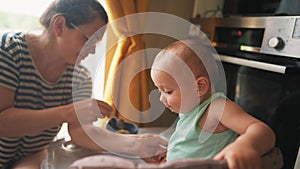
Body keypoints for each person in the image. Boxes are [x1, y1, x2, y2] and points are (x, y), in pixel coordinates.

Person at [0, 0, 167, 168]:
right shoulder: (10, 51)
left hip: (31, 156)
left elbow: (81, 132)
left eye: (95, 44)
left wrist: (137, 144)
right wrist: (69, 112)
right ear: (59, 25)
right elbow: (3, 123)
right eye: (87, 39)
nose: (92, 50)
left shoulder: (79, 77)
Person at [150, 39, 276, 169]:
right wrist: (172, 153)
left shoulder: (217, 108)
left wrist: (246, 144)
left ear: (200, 87)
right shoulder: (190, 110)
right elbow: (191, 144)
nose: (161, 99)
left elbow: (262, 130)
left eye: (168, 91)